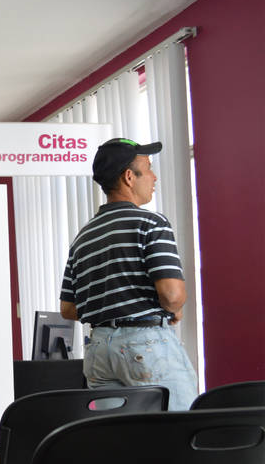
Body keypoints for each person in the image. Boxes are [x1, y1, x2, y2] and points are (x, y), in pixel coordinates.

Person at [59, 138, 197, 410]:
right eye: (149, 169)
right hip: (146, 345)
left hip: (99, 351)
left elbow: (68, 308)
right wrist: (174, 308)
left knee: (121, 433)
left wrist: (113, 306)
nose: (155, 177)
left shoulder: (82, 238)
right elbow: (171, 296)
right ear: (129, 177)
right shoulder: (150, 223)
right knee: (181, 427)